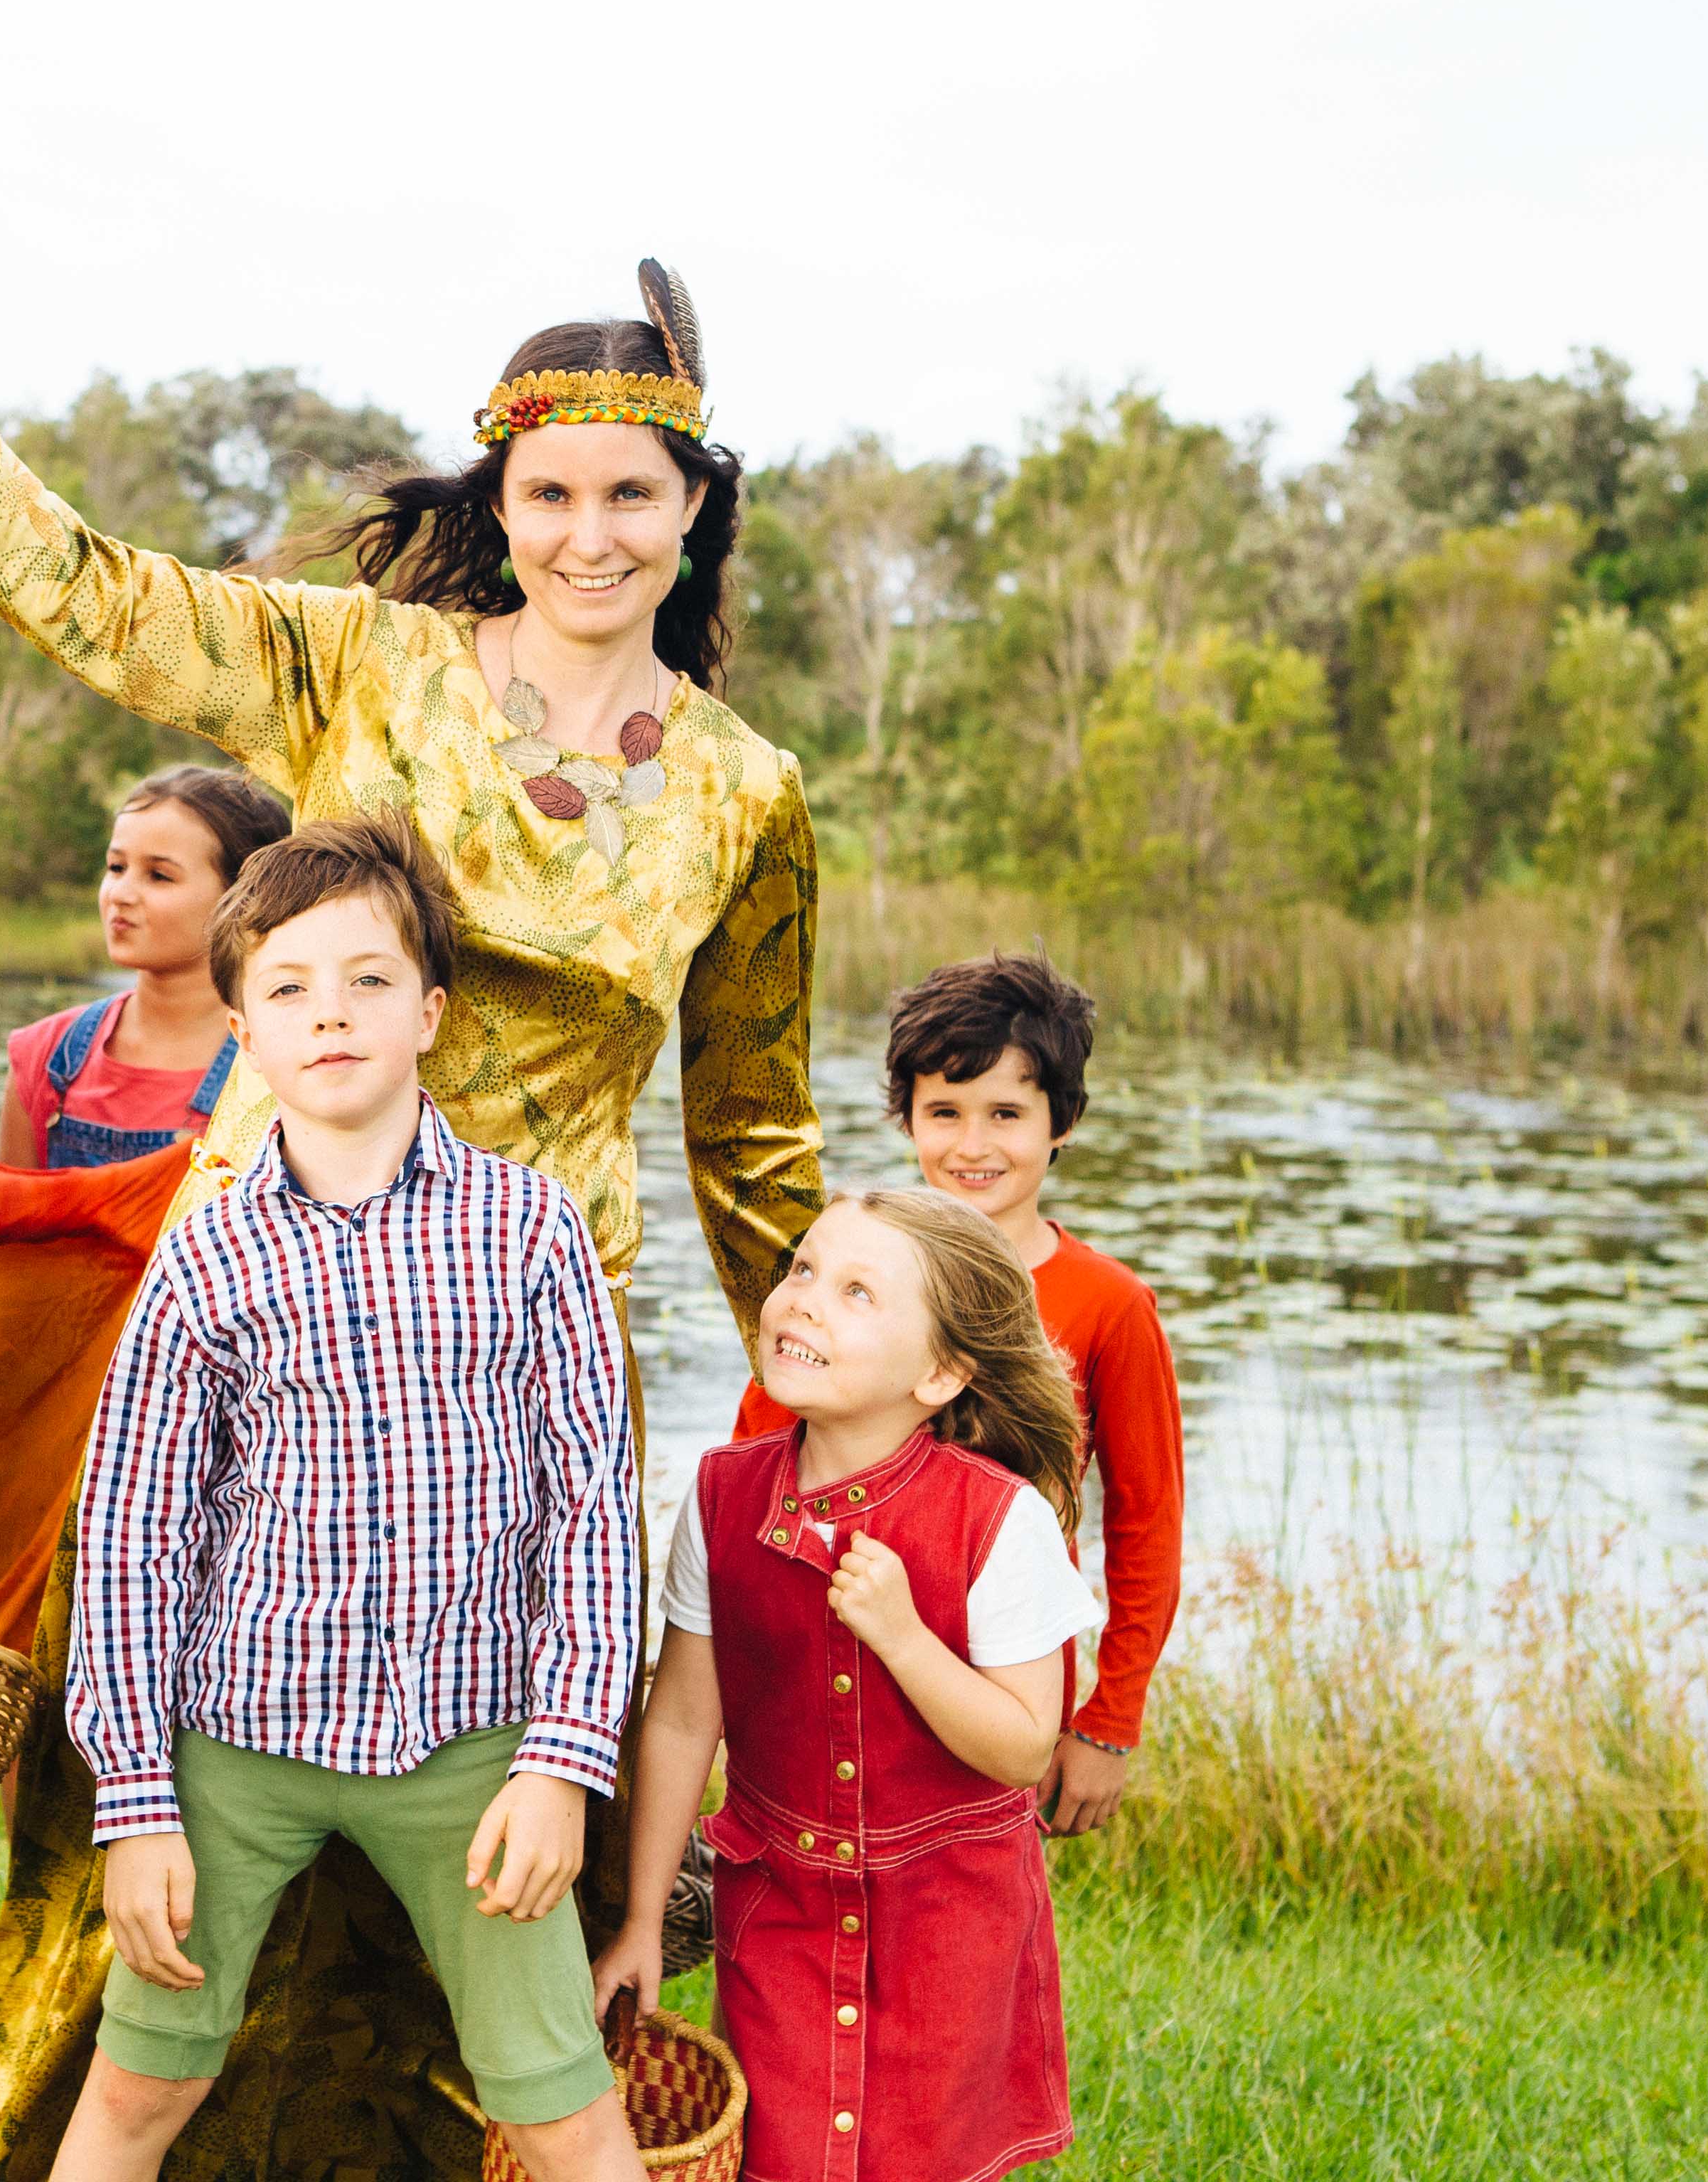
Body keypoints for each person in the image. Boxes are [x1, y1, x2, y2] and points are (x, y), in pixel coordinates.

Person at [0, 174, 823, 2181]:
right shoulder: (368, 669)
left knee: (483, 1903)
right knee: (144, 1873)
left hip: (519, 1373)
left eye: (631, 497)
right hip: (255, 1329)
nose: (590, 535)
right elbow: (83, 586)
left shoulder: (744, 794)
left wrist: (860, 1413)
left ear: (695, 507)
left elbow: (753, 1141)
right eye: (550, 496)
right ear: (500, 504)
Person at [60, 816, 643, 2182]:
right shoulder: (207, 1256)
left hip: (473, 1737)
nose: (330, 1013)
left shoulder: (528, 1228)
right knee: (139, 2082)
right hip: (237, 1733)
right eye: (289, 987)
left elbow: (590, 1511)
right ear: (244, 1036)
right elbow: (136, 1537)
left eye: (368, 979)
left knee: (558, 2104)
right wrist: (138, 1800)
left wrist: (561, 1760)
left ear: (429, 1012)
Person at [597, 1191, 1104, 2182]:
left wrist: (905, 1638)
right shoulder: (721, 1494)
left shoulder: (1001, 1522)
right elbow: (684, 1720)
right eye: (803, 1269)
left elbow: (1021, 1749)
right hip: (777, 1911)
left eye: (858, 1292)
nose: (804, 1299)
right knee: (778, 2157)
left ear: (940, 1373)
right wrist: (642, 1920)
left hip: (946, 1931)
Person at [877, 955, 1183, 1836]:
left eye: (1006, 1114)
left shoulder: (1110, 1304)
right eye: (945, 1112)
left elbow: (1148, 1523)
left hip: (1011, 1684)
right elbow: (758, 1463)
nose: (972, 1147)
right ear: (908, 1117)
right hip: (847, 1646)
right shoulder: (853, 1269)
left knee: (975, 1900)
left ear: (1063, 1122)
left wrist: (1111, 1719)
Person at [0, 767, 287, 1171]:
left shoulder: (282, 1067)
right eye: (116, 867)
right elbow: (12, 1209)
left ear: (244, 899)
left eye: (159, 876)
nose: (120, 894)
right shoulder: (44, 1057)